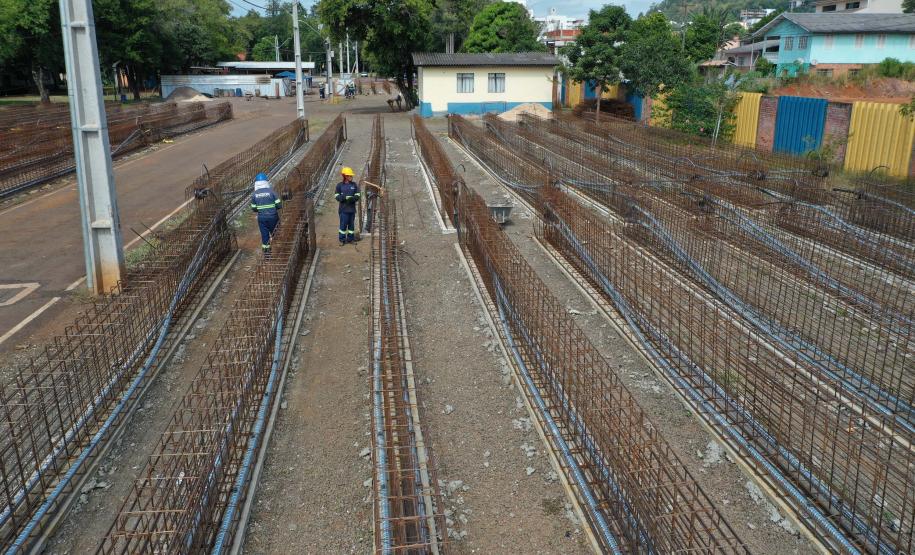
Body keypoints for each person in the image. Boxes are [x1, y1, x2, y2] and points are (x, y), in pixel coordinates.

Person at [250, 172, 282, 254]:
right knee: (276, 232)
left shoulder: (254, 195)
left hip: (262, 218)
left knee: (264, 235)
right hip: (273, 217)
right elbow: (279, 205)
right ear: (266, 182)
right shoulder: (272, 192)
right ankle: (279, 248)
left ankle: (267, 253)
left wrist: (261, 210)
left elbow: (253, 208)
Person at [334, 167, 361, 245]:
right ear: (345, 176)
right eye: (350, 176)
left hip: (352, 210)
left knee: (351, 226)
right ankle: (342, 240)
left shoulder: (354, 185)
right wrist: (344, 197)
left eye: (351, 176)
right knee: (343, 225)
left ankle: (350, 239)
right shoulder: (339, 186)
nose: (351, 177)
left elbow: (357, 196)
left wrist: (351, 198)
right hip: (343, 210)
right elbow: (336, 196)